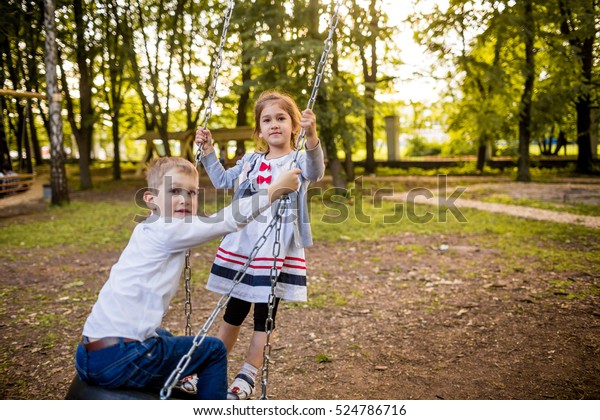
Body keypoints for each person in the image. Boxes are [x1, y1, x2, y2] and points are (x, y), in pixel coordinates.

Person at [75, 156, 300, 399]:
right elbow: (227, 220)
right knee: (213, 349)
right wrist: (275, 189)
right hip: (122, 359)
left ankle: (182, 385)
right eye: (174, 191)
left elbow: (208, 221)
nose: (184, 199)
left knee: (163, 337)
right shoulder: (169, 231)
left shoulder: (147, 227)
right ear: (150, 200)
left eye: (192, 193)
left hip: (89, 353)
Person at [193, 90, 325, 399]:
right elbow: (223, 180)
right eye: (267, 120)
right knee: (233, 312)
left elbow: (317, 171)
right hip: (244, 245)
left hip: (277, 251)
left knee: (264, 316)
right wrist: (208, 150)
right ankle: (206, 370)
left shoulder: (299, 160)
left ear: (295, 126)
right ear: (259, 129)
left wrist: (313, 133)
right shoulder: (251, 160)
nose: (274, 124)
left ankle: (248, 374)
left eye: (281, 118)